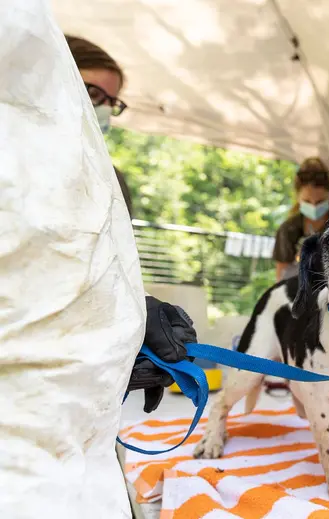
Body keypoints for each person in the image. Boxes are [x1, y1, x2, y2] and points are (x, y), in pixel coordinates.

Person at [65, 34, 195, 412]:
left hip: (83, 373)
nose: (103, 109)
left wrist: (138, 312)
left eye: (112, 102)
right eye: (93, 93)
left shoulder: (111, 180)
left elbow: (115, 263)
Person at [273, 157, 329, 281]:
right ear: (298, 198)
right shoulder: (288, 230)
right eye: (307, 201)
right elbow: (281, 278)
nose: (314, 206)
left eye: (320, 201)